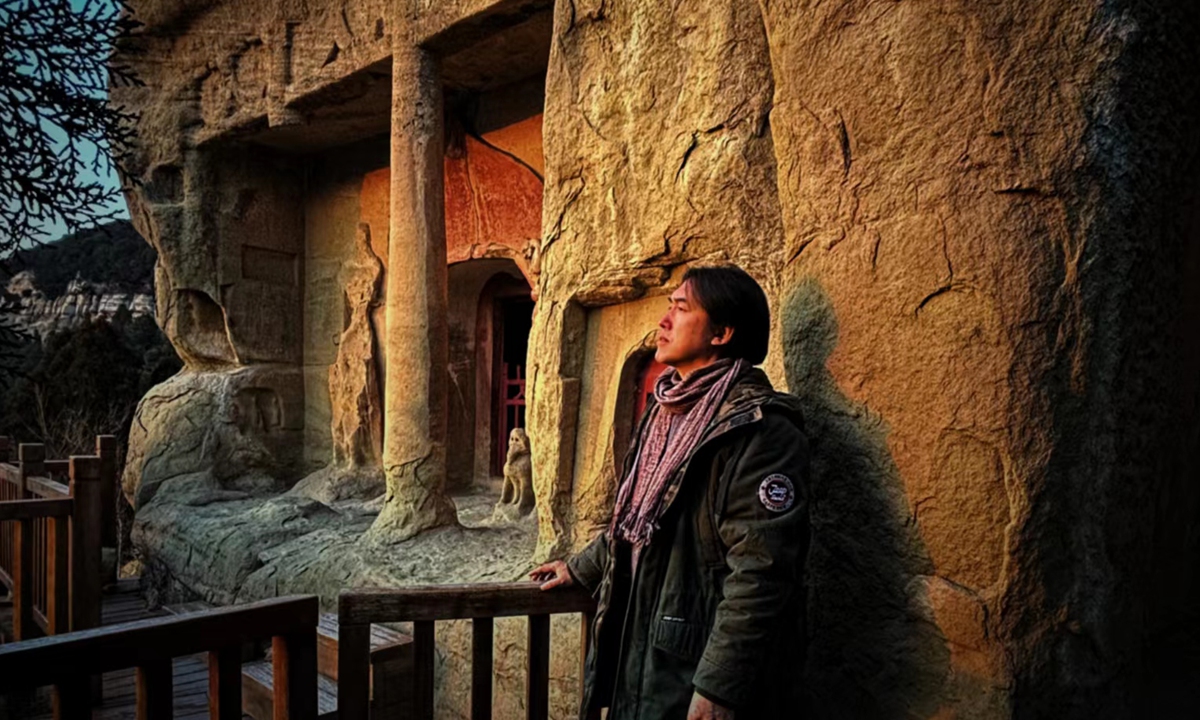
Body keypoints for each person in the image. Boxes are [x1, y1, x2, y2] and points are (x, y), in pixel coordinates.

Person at [531, 264, 811, 720]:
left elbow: (762, 570)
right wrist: (581, 567)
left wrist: (719, 686)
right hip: (644, 651)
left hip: (692, 666)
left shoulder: (761, 432)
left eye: (680, 309)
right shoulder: (664, 414)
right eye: (668, 307)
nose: (663, 321)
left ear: (720, 333)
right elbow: (640, 522)